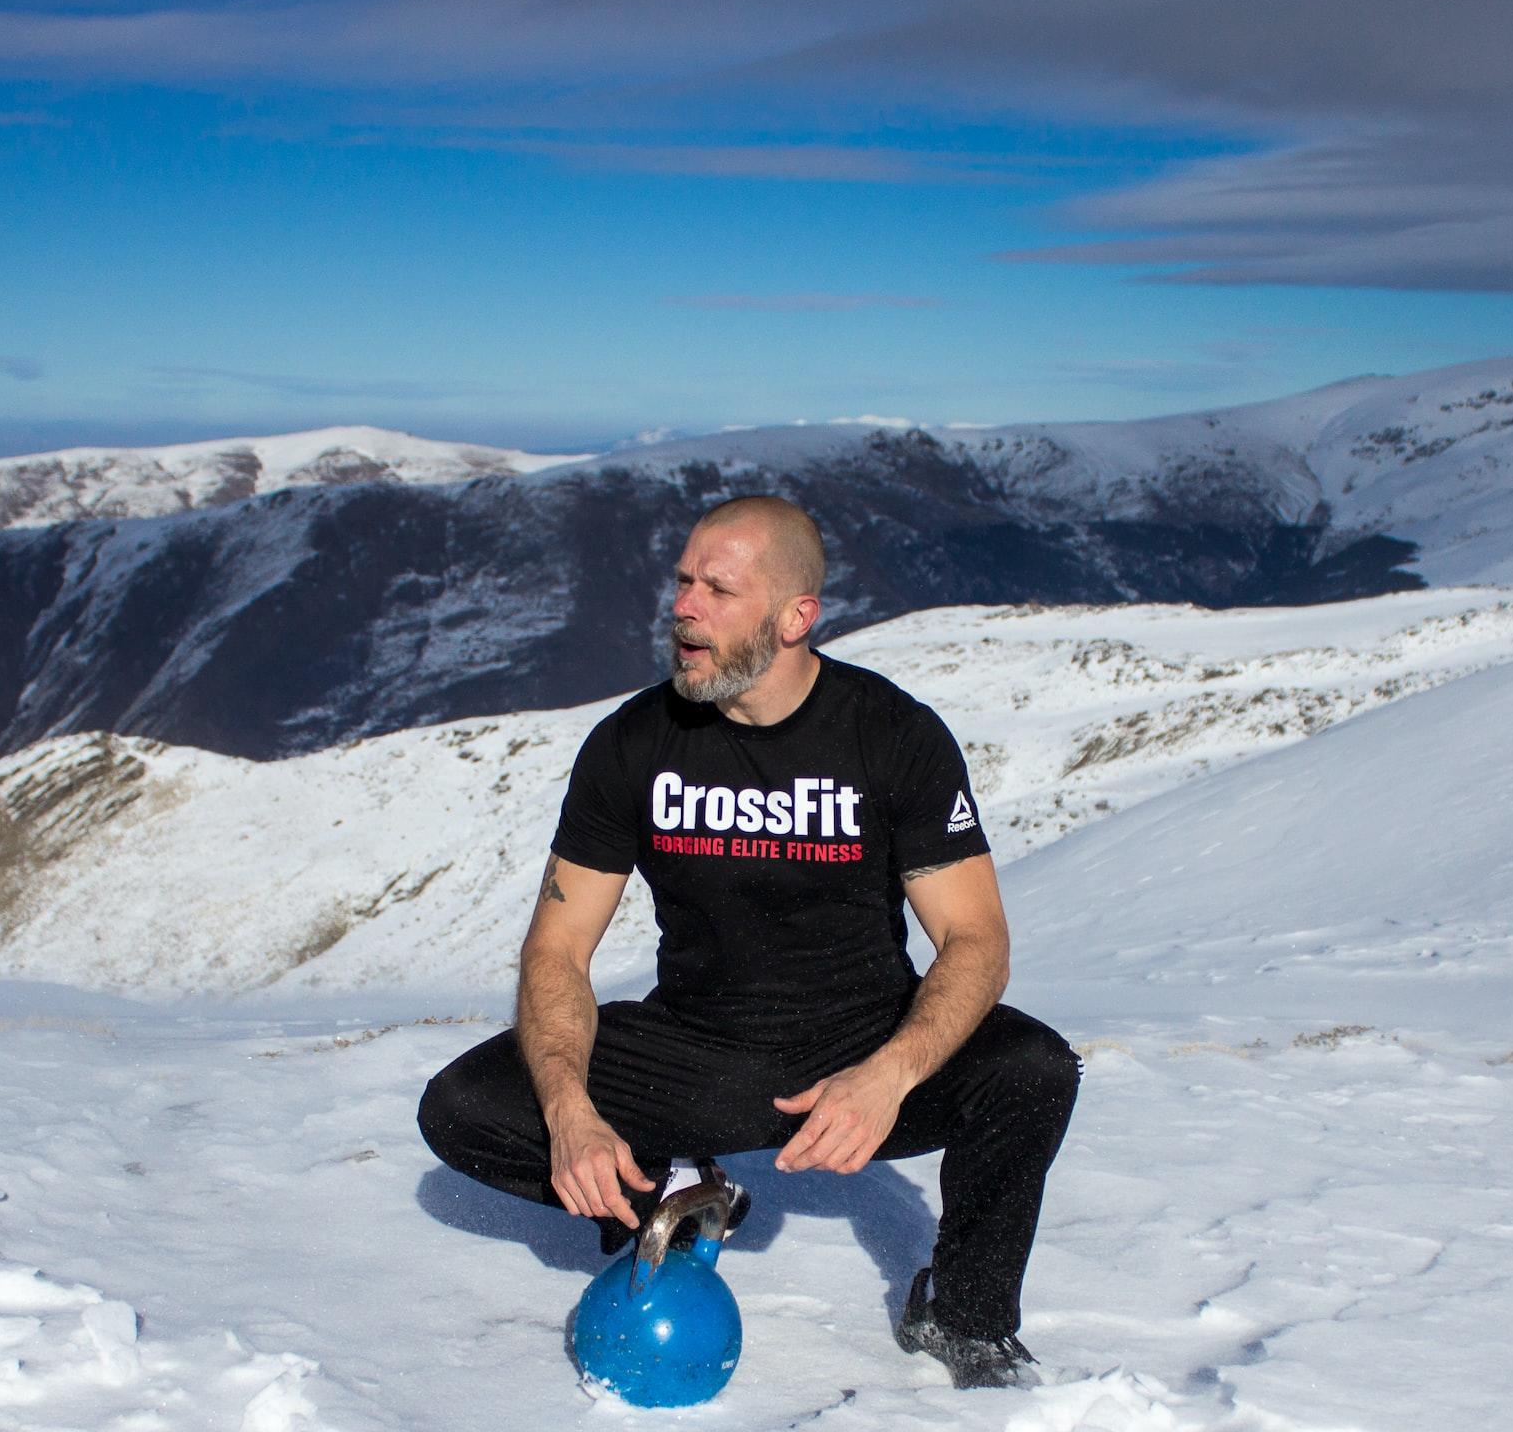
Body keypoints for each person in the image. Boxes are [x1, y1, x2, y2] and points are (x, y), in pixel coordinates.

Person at [417, 494, 1079, 1389]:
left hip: (862, 1047)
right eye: (682, 581)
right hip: (697, 1048)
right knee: (465, 1106)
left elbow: (976, 939)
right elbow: (557, 951)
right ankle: (672, 1194)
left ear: (795, 617)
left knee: (1032, 1069)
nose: (683, 607)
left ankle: (965, 1319)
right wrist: (573, 1113)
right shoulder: (633, 745)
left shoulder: (893, 736)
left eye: (718, 589)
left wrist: (889, 1076)